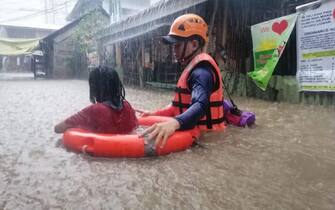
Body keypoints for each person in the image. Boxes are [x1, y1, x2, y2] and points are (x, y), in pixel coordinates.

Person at [140, 14, 225, 148]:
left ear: (194, 44)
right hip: (197, 133)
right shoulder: (193, 68)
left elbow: (200, 105)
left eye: (178, 45)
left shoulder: (201, 72)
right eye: (173, 46)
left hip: (207, 140)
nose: (174, 50)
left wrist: (175, 123)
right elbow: (177, 106)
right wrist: (154, 114)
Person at [54, 66, 138, 134]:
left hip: (103, 152)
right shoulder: (127, 106)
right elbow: (136, 126)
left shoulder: (96, 110)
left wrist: (81, 126)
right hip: (128, 149)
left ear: (94, 88)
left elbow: (58, 128)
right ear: (117, 86)